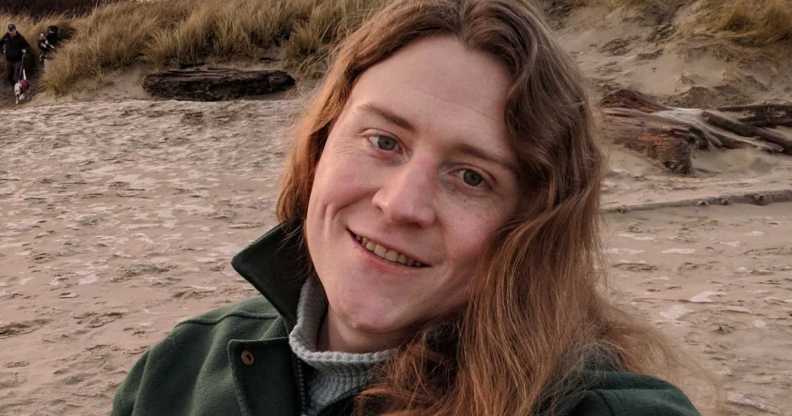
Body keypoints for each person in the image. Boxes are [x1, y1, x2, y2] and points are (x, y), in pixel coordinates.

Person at [112, 0, 703, 415]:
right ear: (320, 145)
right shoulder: (180, 368)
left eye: (471, 176)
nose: (401, 206)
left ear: (532, 223)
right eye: (383, 141)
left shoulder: (599, 409)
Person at [0, 23, 30, 88]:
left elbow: (27, 46)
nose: (11, 32)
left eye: (12, 31)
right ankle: (14, 87)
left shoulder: (20, 37)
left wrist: (25, 50)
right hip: (8, 60)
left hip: (18, 60)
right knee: (9, 76)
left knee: (17, 76)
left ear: (15, 30)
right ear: (8, 30)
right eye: (9, 31)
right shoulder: (6, 36)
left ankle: (19, 89)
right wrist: (2, 51)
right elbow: (0, 44)